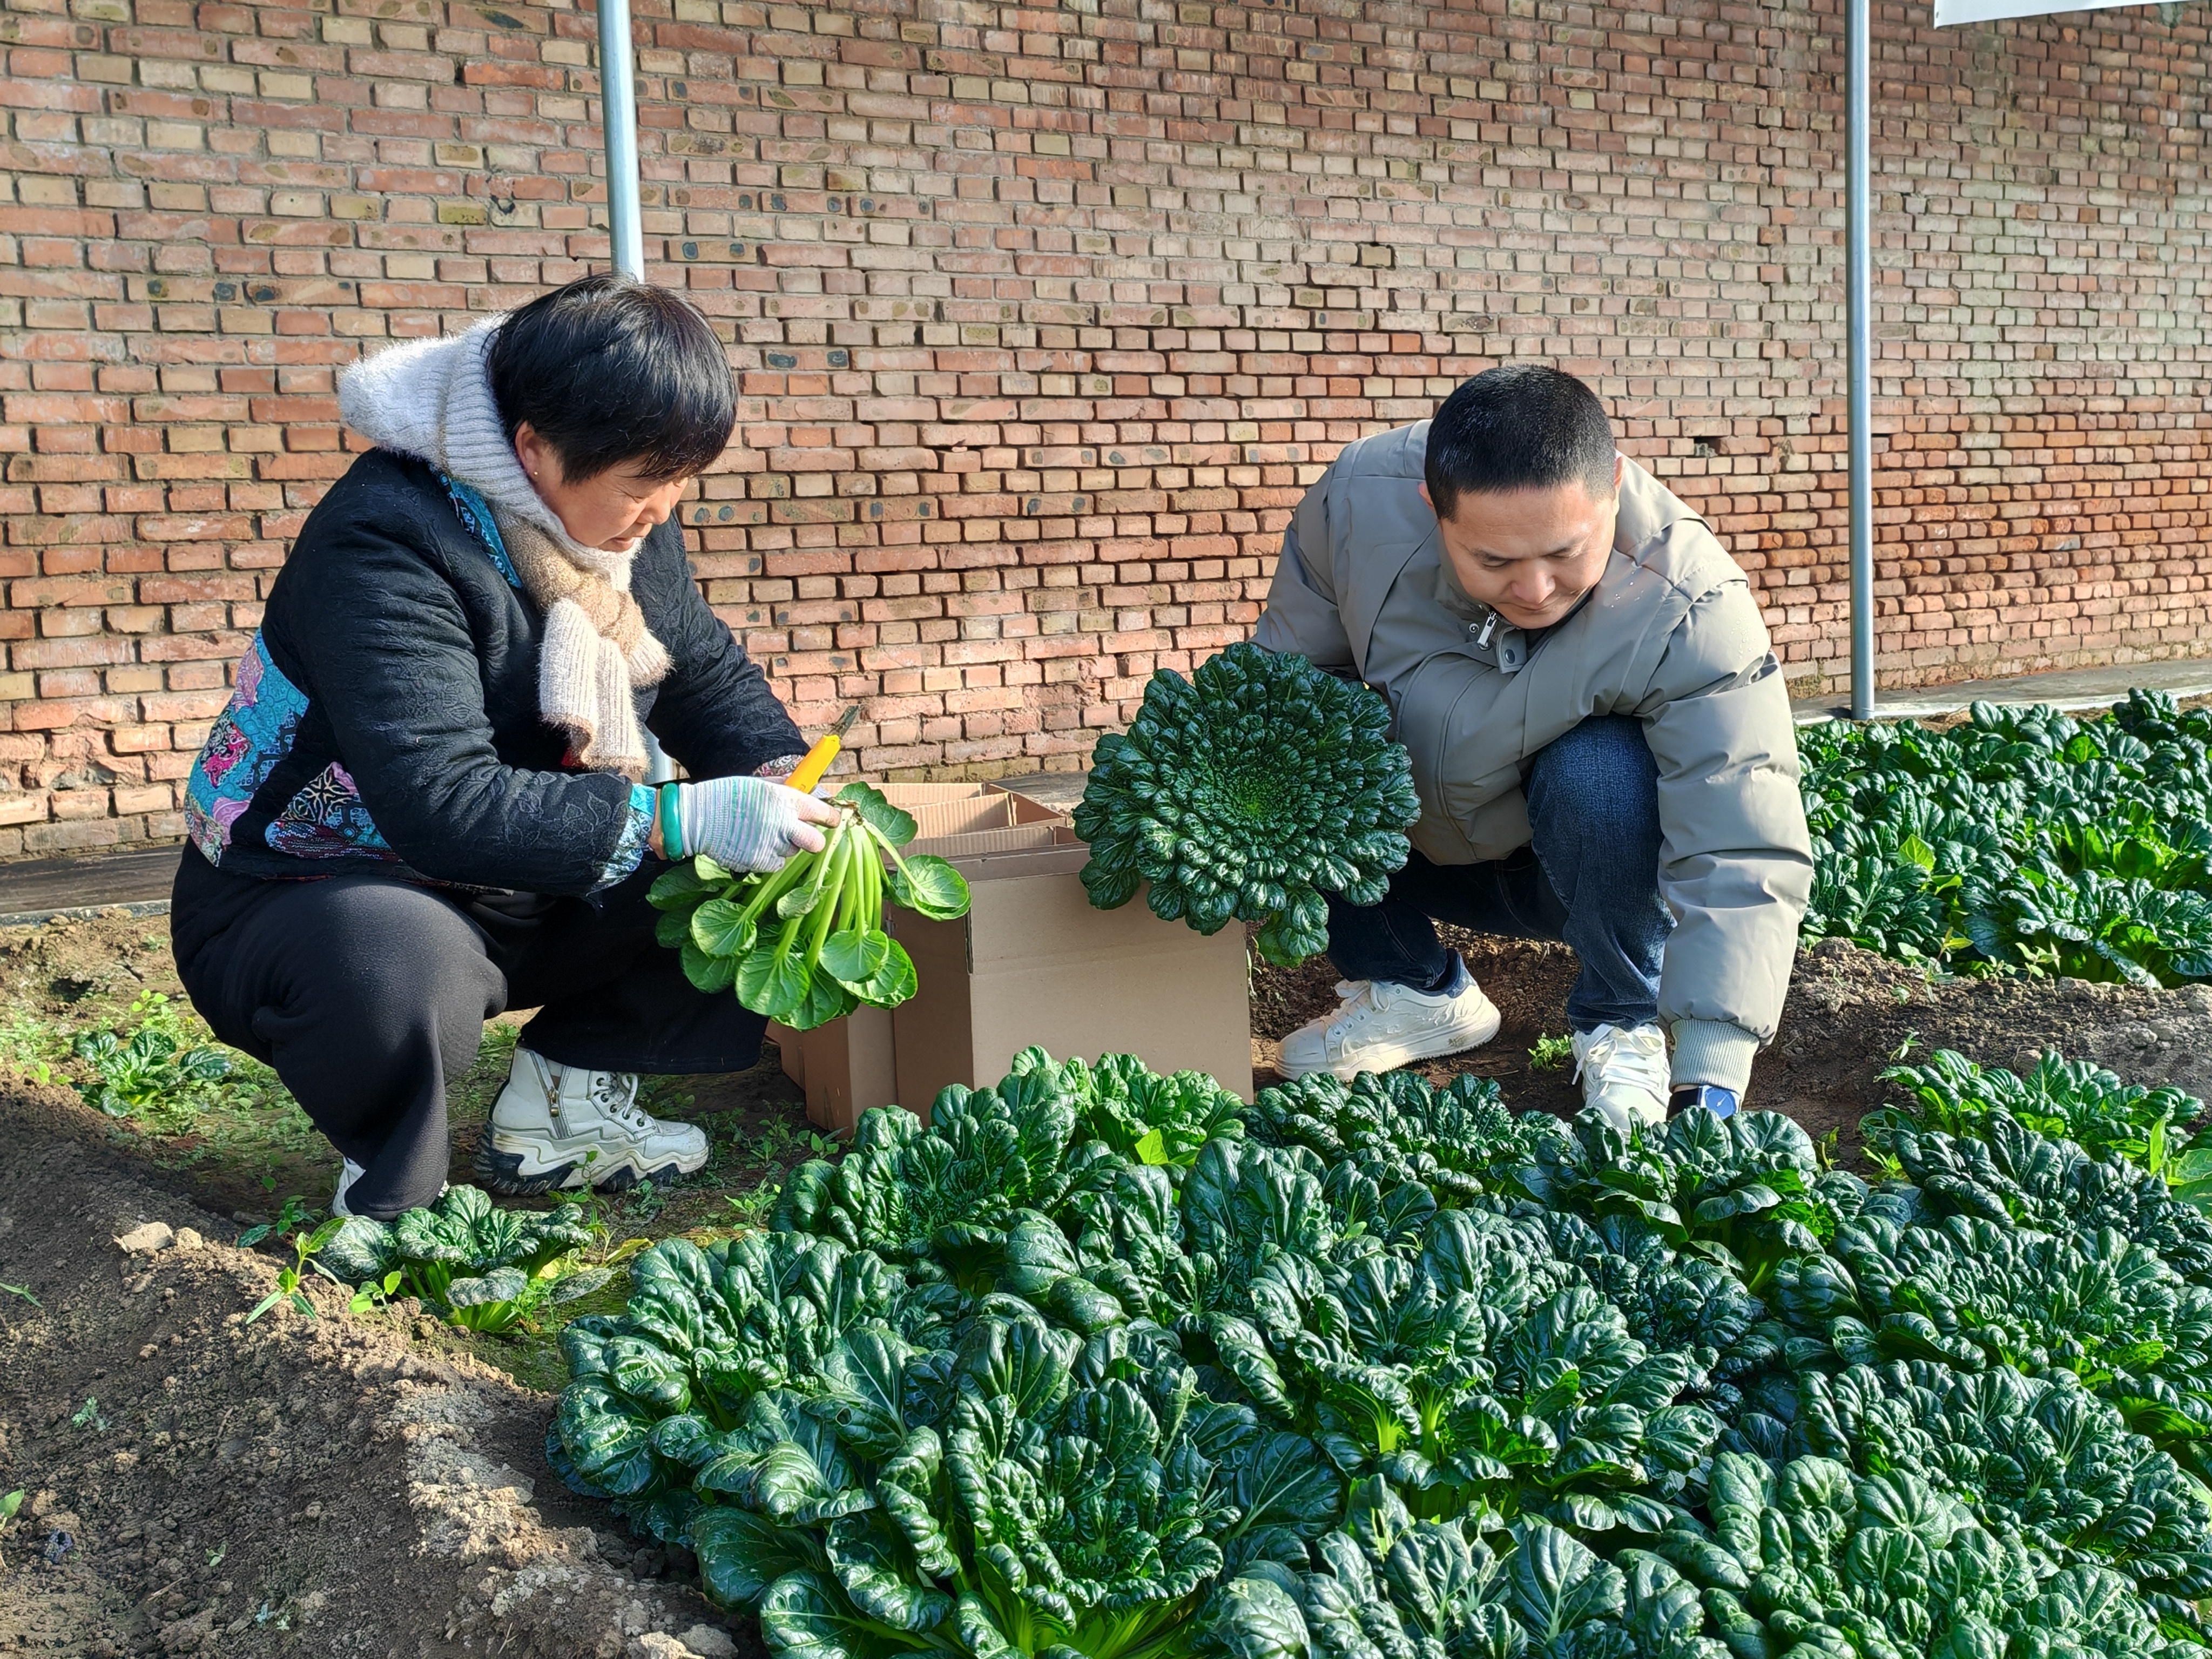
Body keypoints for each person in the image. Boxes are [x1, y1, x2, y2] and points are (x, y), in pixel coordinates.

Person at [170, 273, 839, 1220]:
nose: (664, 509)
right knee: (393, 960)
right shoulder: (388, 543)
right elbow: (439, 800)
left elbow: (698, 669)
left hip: (514, 874)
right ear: (532, 448)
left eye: (681, 482)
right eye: (645, 487)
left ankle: (563, 1110)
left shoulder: (619, 513)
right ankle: (391, 1188)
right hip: (312, 890)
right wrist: (681, 815)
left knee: (755, 876)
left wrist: (773, 772)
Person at [1258, 365, 1811, 1129]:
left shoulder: (1690, 600)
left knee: (1602, 764)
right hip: (1412, 856)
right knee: (1294, 737)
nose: (1536, 589)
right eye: (1494, 562)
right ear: (1433, 507)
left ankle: (1622, 1020)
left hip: (1581, 868)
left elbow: (1743, 834)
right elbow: (1279, 687)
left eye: (1563, 553)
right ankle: (1410, 986)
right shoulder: (1356, 505)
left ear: (1613, 486)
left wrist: (1711, 1070)